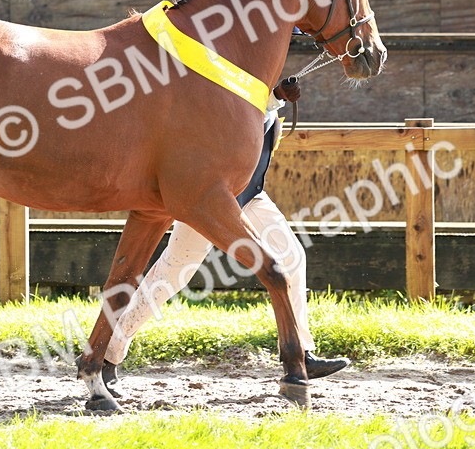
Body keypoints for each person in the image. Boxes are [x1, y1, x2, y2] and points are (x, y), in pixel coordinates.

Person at [101, 78, 349, 395]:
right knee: (174, 271)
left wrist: (275, 97)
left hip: (248, 195)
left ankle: (300, 353)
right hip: (209, 197)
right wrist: (273, 98)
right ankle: (109, 353)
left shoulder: (262, 84)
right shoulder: (228, 78)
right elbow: (233, 119)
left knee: (291, 258)